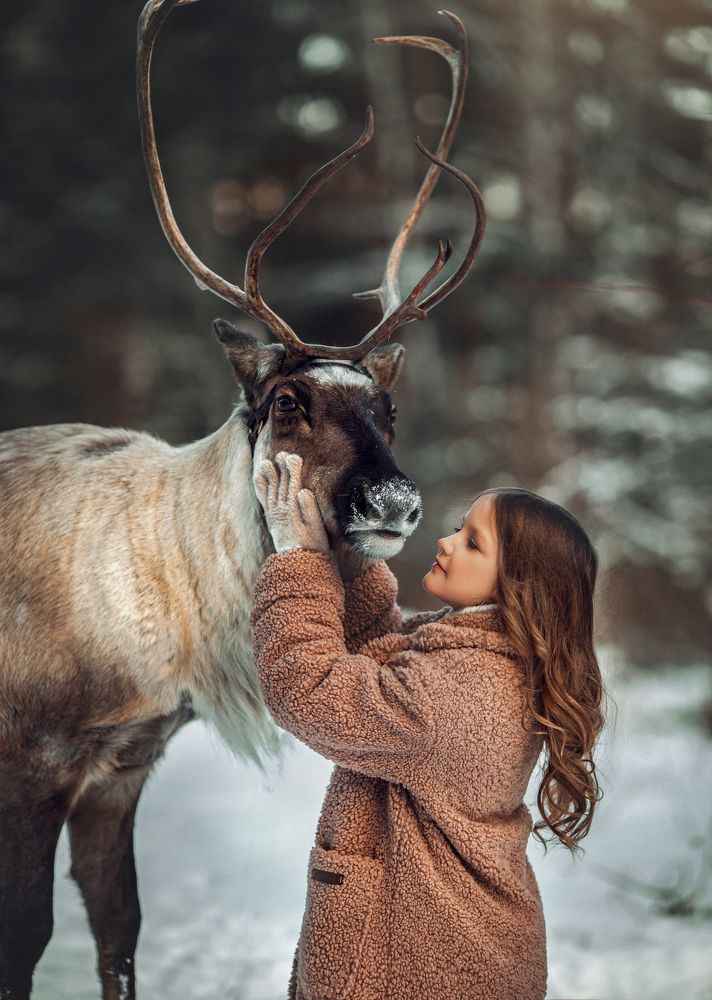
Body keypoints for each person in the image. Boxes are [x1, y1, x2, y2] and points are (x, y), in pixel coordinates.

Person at [250, 451, 607, 1000]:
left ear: (517, 585)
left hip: (416, 963)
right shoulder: (484, 660)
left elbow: (312, 689)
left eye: (471, 543)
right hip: (455, 943)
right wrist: (349, 553)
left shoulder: (454, 692)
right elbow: (381, 662)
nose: (446, 541)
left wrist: (299, 559)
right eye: (458, 529)